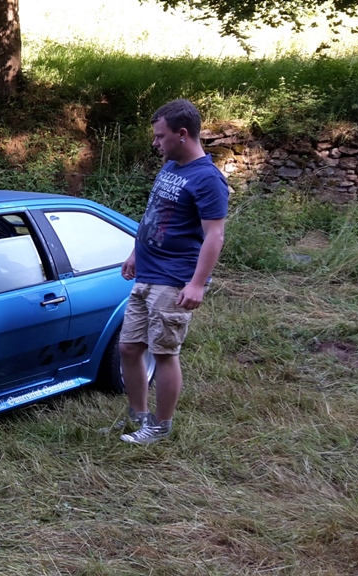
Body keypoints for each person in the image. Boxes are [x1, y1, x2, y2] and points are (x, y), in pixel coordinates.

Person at [117, 98, 229, 444]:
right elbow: (153, 214)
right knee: (129, 348)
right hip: (147, 273)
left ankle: (160, 427)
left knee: (164, 353)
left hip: (173, 279)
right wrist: (135, 253)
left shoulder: (208, 179)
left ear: (182, 134)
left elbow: (214, 235)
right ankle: (139, 416)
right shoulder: (171, 167)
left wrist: (197, 284)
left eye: (160, 136)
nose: (155, 143)